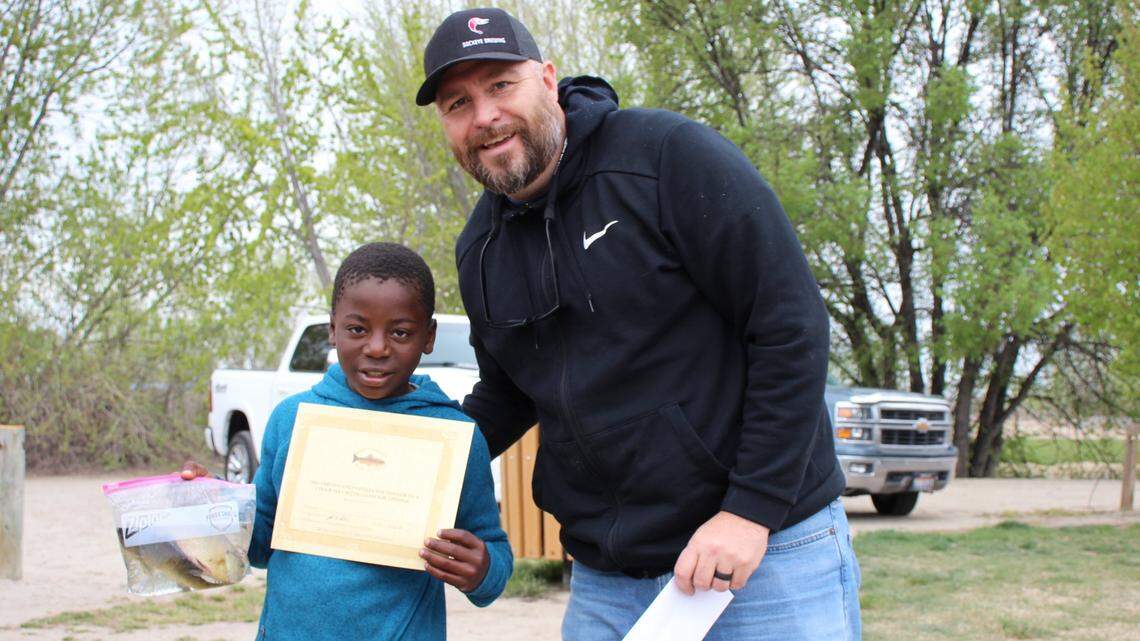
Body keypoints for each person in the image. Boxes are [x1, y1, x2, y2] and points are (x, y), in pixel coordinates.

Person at [416, 7, 861, 641]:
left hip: (763, 555)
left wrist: (750, 512)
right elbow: (511, 393)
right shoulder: (479, 250)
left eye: (500, 86)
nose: (483, 116)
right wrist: (407, 450)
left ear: (547, 77)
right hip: (609, 583)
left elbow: (788, 325)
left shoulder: (666, 158)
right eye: (458, 103)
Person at [181, 242, 512, 641]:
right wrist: (221, 508)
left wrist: (481, 570)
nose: (377, 348)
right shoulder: (292, 420)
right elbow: (263, 543)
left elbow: (493, 556)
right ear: (333, 331)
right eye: (357, 329)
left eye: (401, 332)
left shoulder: (453, 437)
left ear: (429, 336)